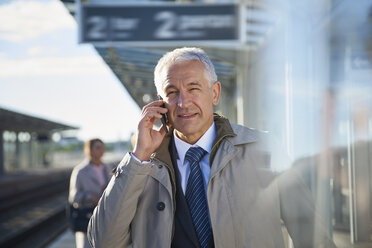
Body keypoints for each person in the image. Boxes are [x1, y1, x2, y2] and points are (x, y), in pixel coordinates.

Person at [88, 47, 336, 248]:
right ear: (160, 103)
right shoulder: (141, 167)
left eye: (193, 88)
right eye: (172, 92)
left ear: (215, 93)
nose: (183, 103)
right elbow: (102, 241)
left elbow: (312, 235)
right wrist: (138, 157)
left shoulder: (265, 149)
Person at [69, 138, 111, 248]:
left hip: (105, 217)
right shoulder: (80, 171)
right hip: (86, 218)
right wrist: (90, 197)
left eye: (102, 147)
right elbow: (73, 197)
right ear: (89, 150)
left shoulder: (107, 169)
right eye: (98, 147)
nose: (102, 150)